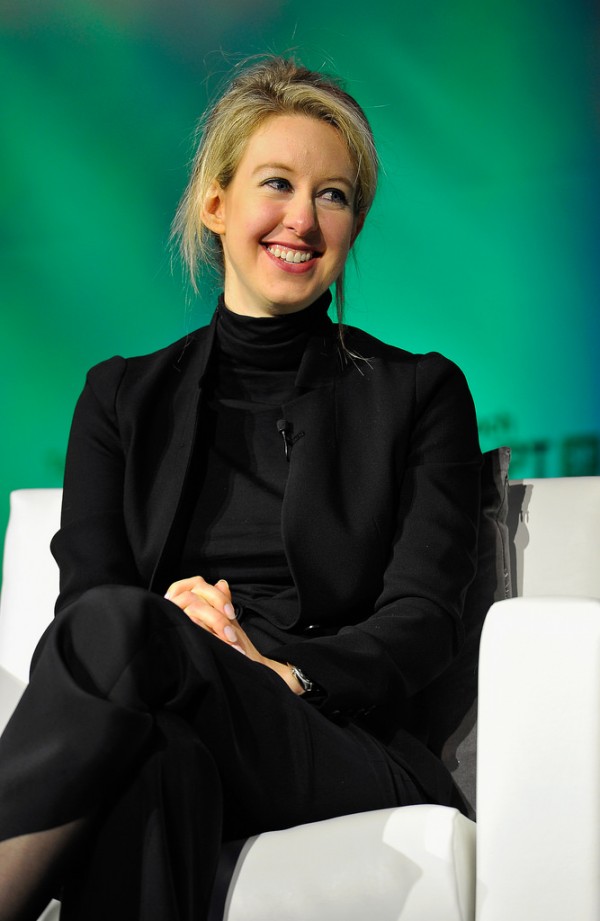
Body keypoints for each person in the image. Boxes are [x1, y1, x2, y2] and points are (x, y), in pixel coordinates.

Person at [0, 56, 481, 920]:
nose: (304, 218)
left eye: (334, 196)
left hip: (331, 736)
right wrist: (181, 636)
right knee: (155, 759)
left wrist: (279, 668)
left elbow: (422, 620)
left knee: (125, 631)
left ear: (354, 225)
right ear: (215, 204)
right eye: (278, 183)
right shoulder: (119, 397)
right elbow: (88, 605)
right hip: (170, 702)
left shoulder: (420, 392)